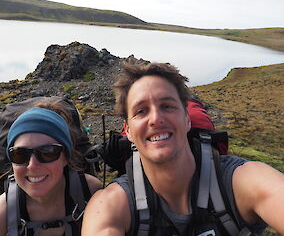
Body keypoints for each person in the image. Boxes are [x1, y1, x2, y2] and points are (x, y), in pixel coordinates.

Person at [81, 62, 284, 236]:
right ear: (129, 132)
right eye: (141, 111)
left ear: (187, 119)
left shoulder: (242, 181)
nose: (156, 119)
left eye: (167, 106)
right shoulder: (110, 206)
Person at [0, 99, 102, 236]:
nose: (32, 165)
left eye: (47, 153)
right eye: (19, 154)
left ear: (66, 157)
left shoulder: (90, 191)